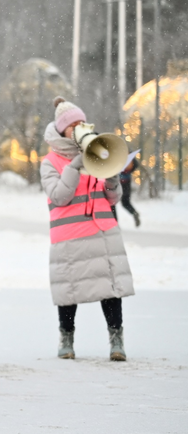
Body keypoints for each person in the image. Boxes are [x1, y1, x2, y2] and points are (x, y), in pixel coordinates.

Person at [41, 97, 134, 361]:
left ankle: (117, 339)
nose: (79, 128)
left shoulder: (96, 151)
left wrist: (112, 177)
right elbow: (59, 196)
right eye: (74, 125)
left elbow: (112, 199)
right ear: (62, 130)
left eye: (82, 123)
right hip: (70, 235)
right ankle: (66, 337)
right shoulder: (50, 161)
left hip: (102, 231)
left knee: (111, 288)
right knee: (69, 289)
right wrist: (74, 166)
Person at [118, 156, 140, 227]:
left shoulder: (115, 151)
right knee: (125, 202)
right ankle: (134, 212)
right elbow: (136, 164)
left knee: (111, 203)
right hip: (126, 181)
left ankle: (114, 223)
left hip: (117, 181)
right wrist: (128, 170)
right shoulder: (128, 153)